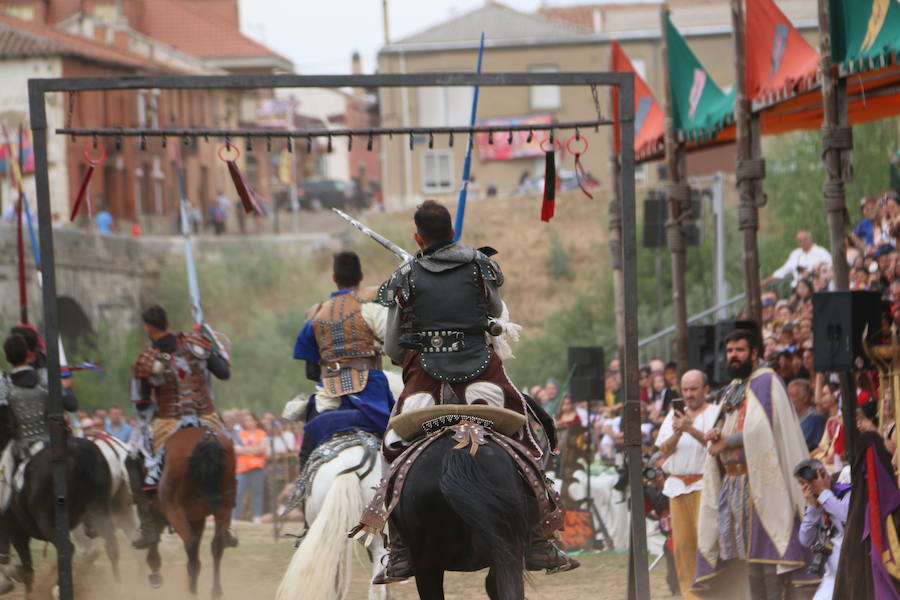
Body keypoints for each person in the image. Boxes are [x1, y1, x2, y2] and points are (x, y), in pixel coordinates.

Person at [375, 200, 577, 583]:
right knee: (530, 437)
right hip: (481, 372)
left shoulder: (405, 276)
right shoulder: (480, 266)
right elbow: (498, 315)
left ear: (418, 237)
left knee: (391, 446)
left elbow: (393, 349)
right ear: (452, 231)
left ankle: (399, 545)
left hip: (425, 381)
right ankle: (537, 538)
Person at [693, 328, 811, 598]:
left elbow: (763, 431)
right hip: (734, 484)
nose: (733, 356)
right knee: (750, 560)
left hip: (763, 484)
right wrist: (716, 432)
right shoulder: (733, 387)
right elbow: (725, 424)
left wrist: (728, 441)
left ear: (754, 353)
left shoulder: (767, 382)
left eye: (740, 350)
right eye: (730, 351)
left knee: (769, 555)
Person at [129, 305, 232, 549]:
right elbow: (224, 373)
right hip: (206, 416)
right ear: (167, 322)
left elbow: (141, 403)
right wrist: (212, 347)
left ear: (149, 328)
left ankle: (148, 524)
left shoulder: (146, 359)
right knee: (227, 452)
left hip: (169, 421)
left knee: (133, 460)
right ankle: (226, 522)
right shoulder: (196, 345)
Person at [288, 251, 394, 467]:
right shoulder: (372, 308)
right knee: (408, 440)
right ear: (361, 276)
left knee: (307, 453)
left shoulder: (315, 316)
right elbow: (395, 346)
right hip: (373, 394)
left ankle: (300, 497)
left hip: (330, 392)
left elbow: (310, 372)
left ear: (334, 278)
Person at [655, 369, 719, 599]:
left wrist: (690, 428)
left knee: (707, 545)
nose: (689, 394)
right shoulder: (673, 416)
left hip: (704, 486)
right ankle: (689, 595)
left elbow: (714, 445)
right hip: (677, 487)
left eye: (694, 389)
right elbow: (663, 450)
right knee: (682, 547)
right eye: (685, 390)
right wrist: (678, 432)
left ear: (705, 389)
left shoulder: (715, 413)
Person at [795, 458, 850, 600]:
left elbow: (846, 516)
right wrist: (813, 508)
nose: (806, 488)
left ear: (823, 474)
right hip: (831, 573)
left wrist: (824, 493)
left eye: (809, 482)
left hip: (853, 567)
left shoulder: (844, 488)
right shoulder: (815, 502)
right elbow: (805, 540)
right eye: (802, 484)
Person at [762, 230, 832, 288]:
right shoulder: (795, 254)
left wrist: (815, 273)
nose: (802, 242)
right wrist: (766, 280)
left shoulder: (821, 252)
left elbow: (832, 267)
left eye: (804, 239)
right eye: (800, 240)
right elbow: (784, 270)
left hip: (817, 286)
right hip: (798, 287)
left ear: (810, 238)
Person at [233, 412, 268, 524]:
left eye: (250, 420)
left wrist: (246, 450)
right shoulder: (240, 434)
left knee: (257, 492)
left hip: (257, 467)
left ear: (255, 421)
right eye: (246, 420)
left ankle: (256, 516)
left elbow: (261, 449)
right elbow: (236, 449)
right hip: (242, 468)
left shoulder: (261, 434)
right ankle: (234, 516)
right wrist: (253, 450)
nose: (248, 422)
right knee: (239, 492)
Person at [788, 378, 825, 451]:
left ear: (805, 398)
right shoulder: (791, 418)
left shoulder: (814, 419)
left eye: (792, 396)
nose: (789, 400)